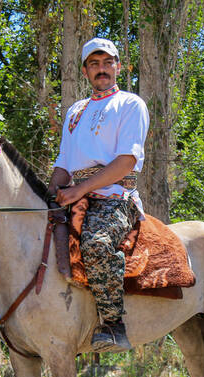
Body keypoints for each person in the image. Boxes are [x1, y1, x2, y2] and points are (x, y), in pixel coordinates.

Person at [48, 37, 149, 352]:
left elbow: (126, 161)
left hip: (115, 198)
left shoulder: (131, 104)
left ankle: (114, 325)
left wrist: (78, 189)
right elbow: (64, 162)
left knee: (96, 244)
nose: (102, 69)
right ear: (85, 70)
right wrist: (49, 193)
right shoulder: (75, 111)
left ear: (119, 67)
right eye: (94, 63)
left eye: (108, 63)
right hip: (76, 195)